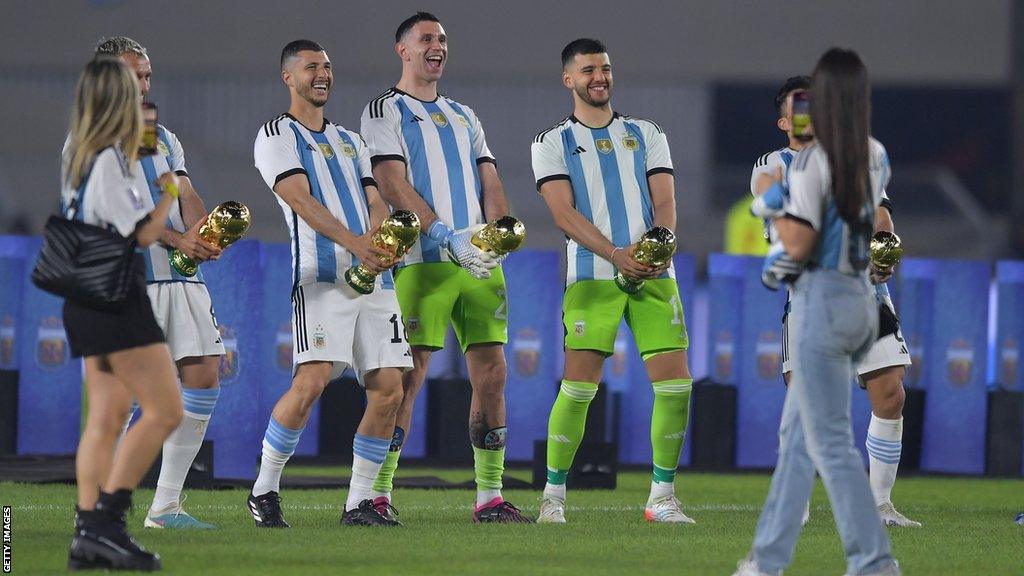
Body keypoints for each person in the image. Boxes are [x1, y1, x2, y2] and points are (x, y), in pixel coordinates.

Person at [734, 48, 900, 576]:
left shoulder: (808, 161)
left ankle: (874, 563)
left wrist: (769, 203)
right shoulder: (874, 153)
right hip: (862, 300)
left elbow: (798, 243)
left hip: (821, 302)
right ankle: (766, 561)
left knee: (829, 444)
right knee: (797, 441)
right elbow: (873, 220)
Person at [360, 12, 530, 523]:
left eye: (443, 39)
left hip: (477, 265)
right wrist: (441, 234)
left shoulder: (464, 114)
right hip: (422, 261)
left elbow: (490, 179)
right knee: (409, 379)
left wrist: (495, 236)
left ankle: (490, 497)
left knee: (493, 375)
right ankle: (380, 494)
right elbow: (390, 181)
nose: (438, 47)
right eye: (427, 39)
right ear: (403, 50)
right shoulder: (383, 109)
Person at [249, 40, 412, 528]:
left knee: (389, 389)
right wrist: (354, 242)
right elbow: (297, 196)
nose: (322, 73)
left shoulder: (351, 140)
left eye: (327, 66)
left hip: (375, 280)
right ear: (288, 77)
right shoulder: (277, 133)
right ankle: (264, 489)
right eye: (311, 67)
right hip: (322, 277)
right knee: (313, 382)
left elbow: (374, 200)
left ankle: (359, 503)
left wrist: (384, 239)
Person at [531, 38, 694, 524]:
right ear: (569, 79)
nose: (599, 77)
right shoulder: (551, 141)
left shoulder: (647, 133)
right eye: (587, 71)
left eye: (604, 68)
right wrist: (615, 255)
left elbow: (663, 201)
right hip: (593, 278)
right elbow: (562, 213)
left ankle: (661, 498)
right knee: (579, 390)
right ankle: (553, 497)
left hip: (653, 275)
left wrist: (656, 247)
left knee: (676, 387)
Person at [94, 36, 226, 530]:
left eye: (148, 75)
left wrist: (204, 233)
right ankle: (101, 506)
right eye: (135, 75)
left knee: (204, 374)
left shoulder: (160, 136)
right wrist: (178, 239)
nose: (146, 84)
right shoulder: (93, 138)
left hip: (180, 280)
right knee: (123, 398)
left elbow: (183, 188)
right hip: (129, 281)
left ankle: (166, 506)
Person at [62, 56, 183, 572]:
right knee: (165, 411)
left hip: (84, 294)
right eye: (131, 89)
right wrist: (170, 192)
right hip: (117, 293)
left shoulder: (78, 155)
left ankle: (87, 535)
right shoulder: (111, 158)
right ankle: (107, 523)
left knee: (107, 419)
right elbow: (143, 233)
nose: (141, 97)